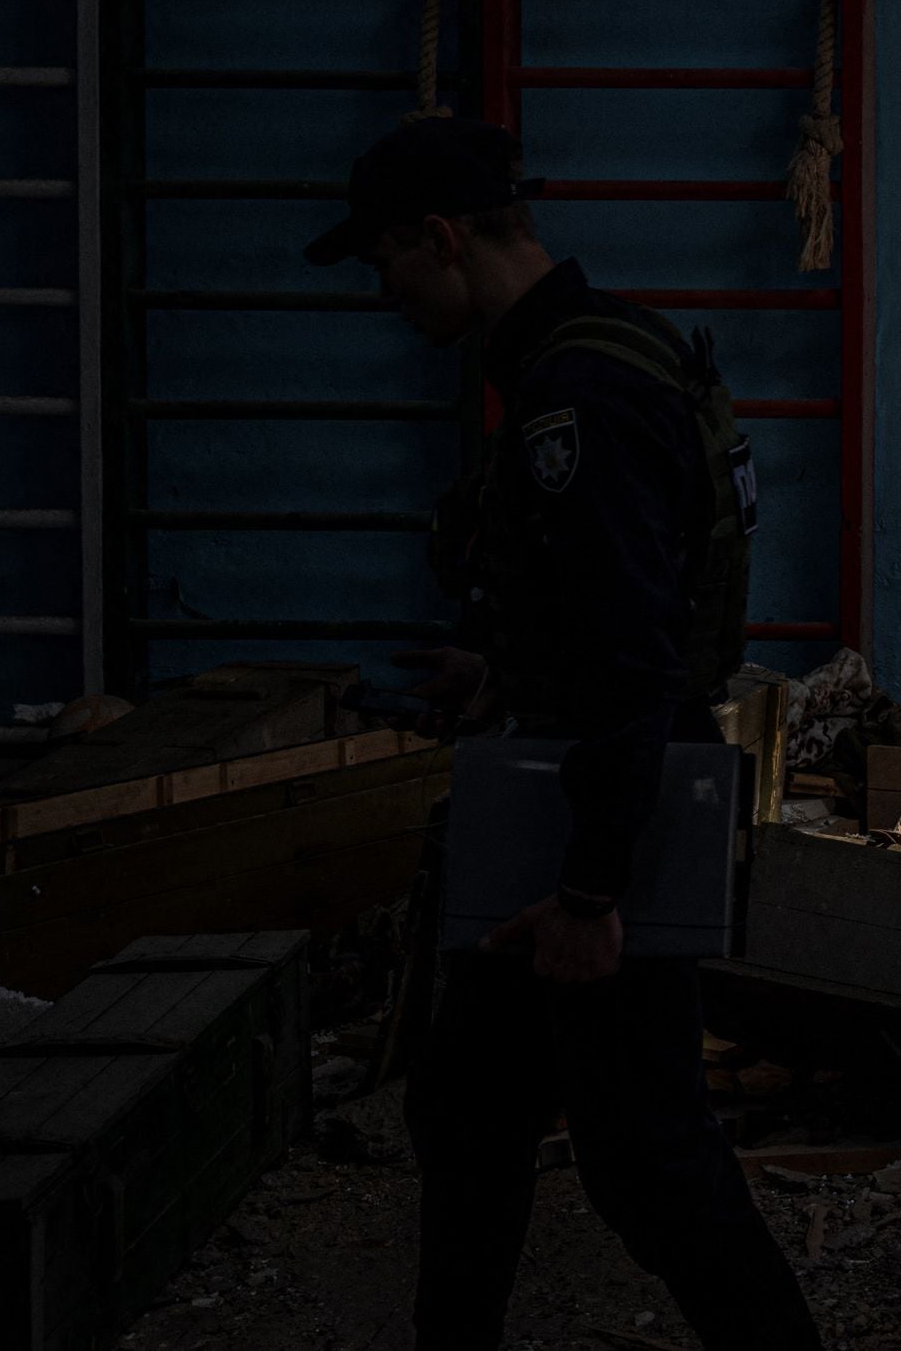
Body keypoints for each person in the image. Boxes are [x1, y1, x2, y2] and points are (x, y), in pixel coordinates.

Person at [306, 115, 820, 1351]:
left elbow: (636, 661)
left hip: (602, 817)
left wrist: (592, 889)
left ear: (440, 239)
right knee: (470, 1109)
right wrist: (501, 668)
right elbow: (619, 611)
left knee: (649, 1158)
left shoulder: (575, 399)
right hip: (578, 786)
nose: (386, 298)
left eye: (386, 267)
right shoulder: (609, 352)